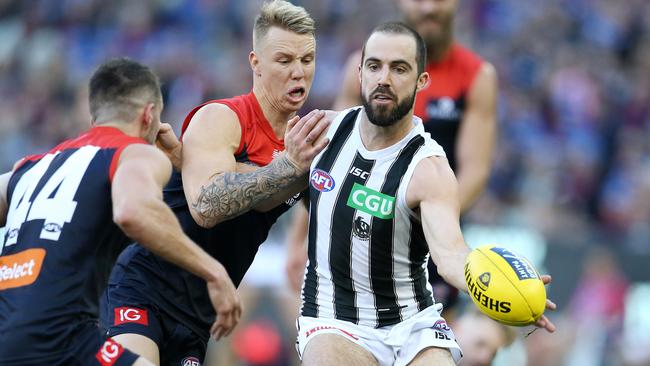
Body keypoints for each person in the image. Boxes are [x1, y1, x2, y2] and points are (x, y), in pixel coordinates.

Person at [295, 22, 554, 366]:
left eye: (399, 68)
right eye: (374, 66)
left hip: (413, 326)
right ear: (359, 73)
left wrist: (504, 288)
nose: (383, 78)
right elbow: (272, 191)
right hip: (332, 319)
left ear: (422, 81)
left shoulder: (429, 169)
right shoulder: (319, 136)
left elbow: (449, 255)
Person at [100, 1, 329, 365]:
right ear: (255, 62)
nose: (298, 72)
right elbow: (206, 207)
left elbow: (328, 208)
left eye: (307, 59)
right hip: (143, 289)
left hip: (199, 317)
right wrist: (288, 167)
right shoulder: (222, 118)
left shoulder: (306, 141)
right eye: (284, 61)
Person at [0, 58, 241, 366]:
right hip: (64, 338)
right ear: (149, 115)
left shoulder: (30, 167)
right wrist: (213, 272)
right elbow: (132, 212)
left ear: (94, 116)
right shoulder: (134, 153)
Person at [286, 0, 497, 316]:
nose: (428, 8)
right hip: (355, 225)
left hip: (428, 232)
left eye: (438, 0)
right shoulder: (362, 67)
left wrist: (418, 220)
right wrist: (299, 237)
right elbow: (330, 159)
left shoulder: (476, 75)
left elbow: (475, 172)